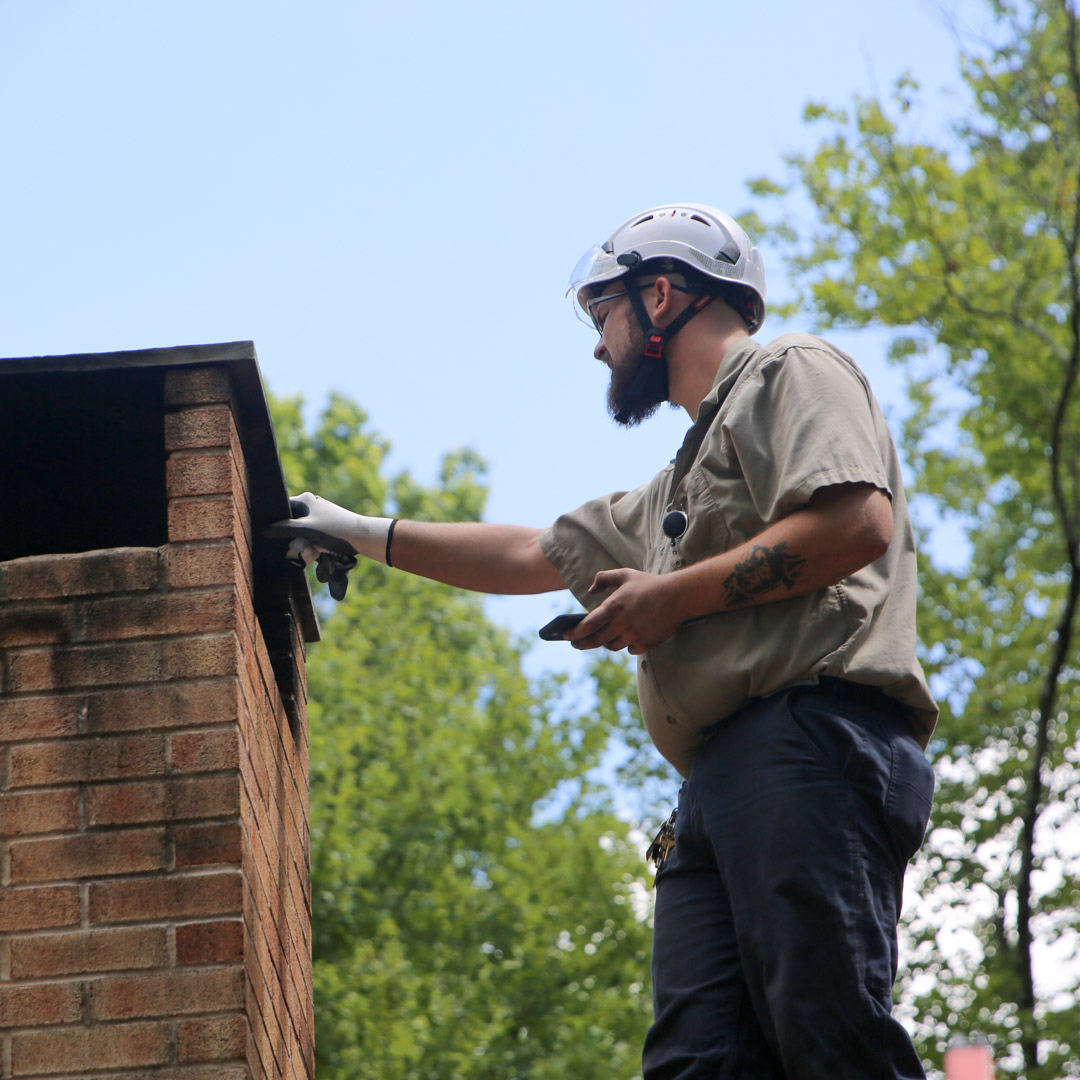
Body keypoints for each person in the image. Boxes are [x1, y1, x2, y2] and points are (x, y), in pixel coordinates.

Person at [269, 203, 938, 1079]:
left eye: (602, 315)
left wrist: (671, 599)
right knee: (695, 1066)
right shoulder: (674, 488)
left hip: (810, 742)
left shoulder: (793, 372)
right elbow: (532, 552)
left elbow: (854, 524)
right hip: (718, 787)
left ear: (662, 296)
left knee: (830, 1036)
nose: (596, 347)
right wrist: (356, 530)